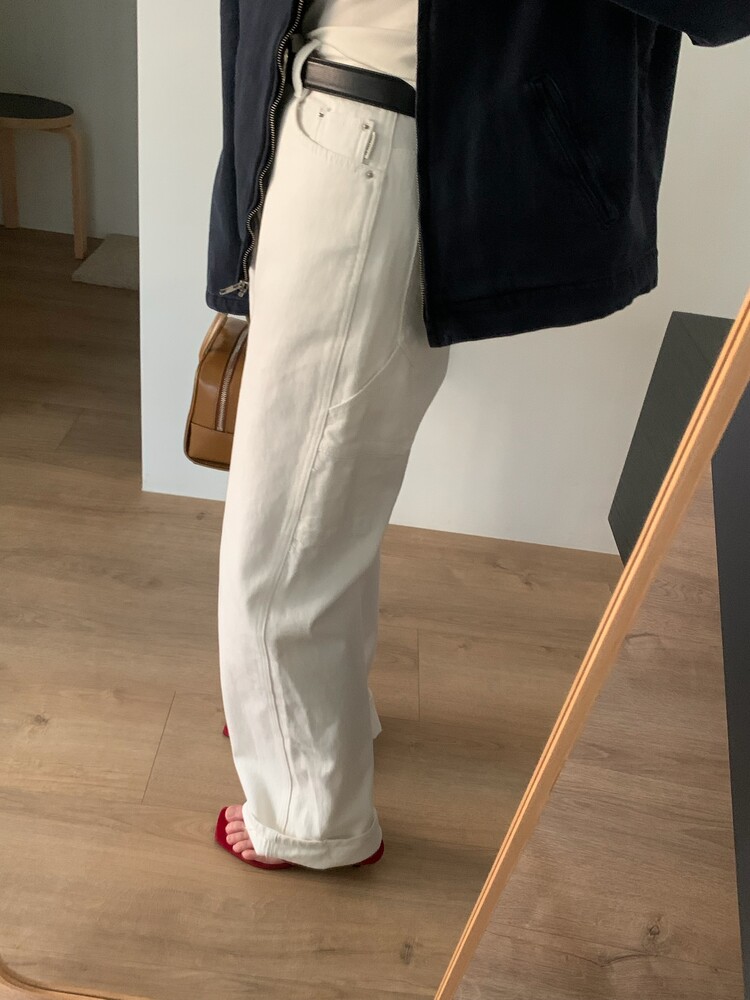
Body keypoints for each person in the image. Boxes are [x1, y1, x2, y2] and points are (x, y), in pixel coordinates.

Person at [216, 0, 445, 870]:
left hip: (365, 133)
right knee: (328, 497)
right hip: (336, 115)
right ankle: (311, 717)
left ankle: (312, 817)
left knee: (284, 531)